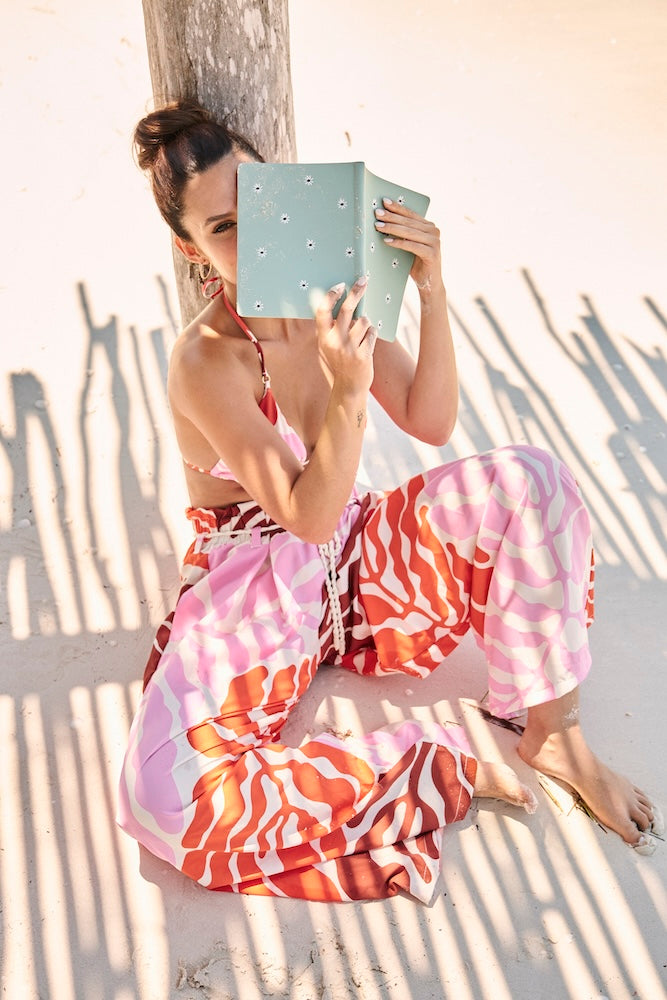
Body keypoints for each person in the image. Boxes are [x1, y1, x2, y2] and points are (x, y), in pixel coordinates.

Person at [117, 99, 660, 903]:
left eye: (257, 204)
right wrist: (347, 390)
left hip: (357, 562)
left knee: (531, 478)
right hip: (255, 588)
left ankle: (554, 733)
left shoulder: (323, 290)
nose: (254, 236)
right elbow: (303, 517)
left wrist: (430, 291)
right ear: (189, 247)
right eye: (223, 227)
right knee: (164, 797)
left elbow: (429, 420)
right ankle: (436, 764)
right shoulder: (205, 360)